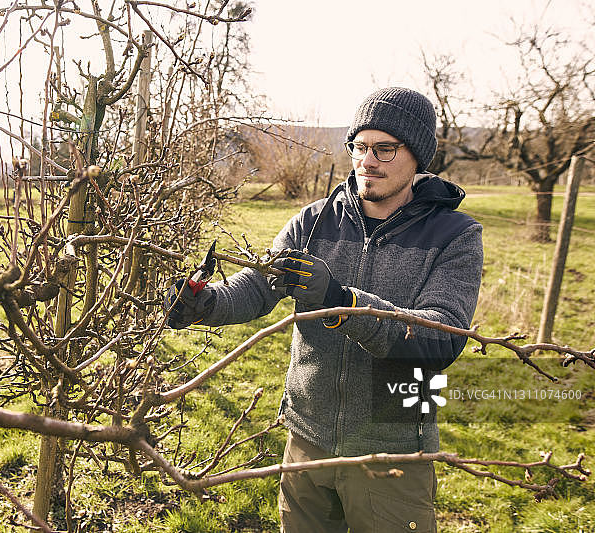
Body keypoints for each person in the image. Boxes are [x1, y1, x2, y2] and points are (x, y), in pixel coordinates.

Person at [163, 87, 483, 532]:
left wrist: (340, 301)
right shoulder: (314, 221)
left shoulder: (455, 235)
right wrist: (206, 302)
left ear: (418, 157)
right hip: (307, 440)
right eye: (360, 146)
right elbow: (259, 285)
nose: (368, 161)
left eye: (385, 149)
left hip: (392, 446)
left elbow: (438, 340)